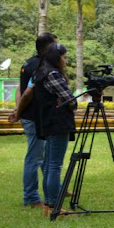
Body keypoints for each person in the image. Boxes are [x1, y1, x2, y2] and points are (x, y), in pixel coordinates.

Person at [10, 32, 57, 209]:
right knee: (35, 157)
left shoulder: (28, 63)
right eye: (55, 46)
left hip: (32, 116)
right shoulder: (40, 66)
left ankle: (53, 189)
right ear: (47, 48)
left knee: (45, 157)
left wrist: (17, 109)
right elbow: (27, 93)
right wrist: (19, 111)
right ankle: (30, 197)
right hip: (34, 117)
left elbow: (19, 89)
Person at [32, 44, 77, 214]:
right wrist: (71, 103)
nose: (65, 61)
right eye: (64, 57)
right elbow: (70, 99)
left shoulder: (40, 73)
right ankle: (52, 205)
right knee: (54, 165)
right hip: (58, 123)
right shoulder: (53, 74)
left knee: (49, 164)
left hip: (48, 122)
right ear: (56, 58)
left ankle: (48, 205)